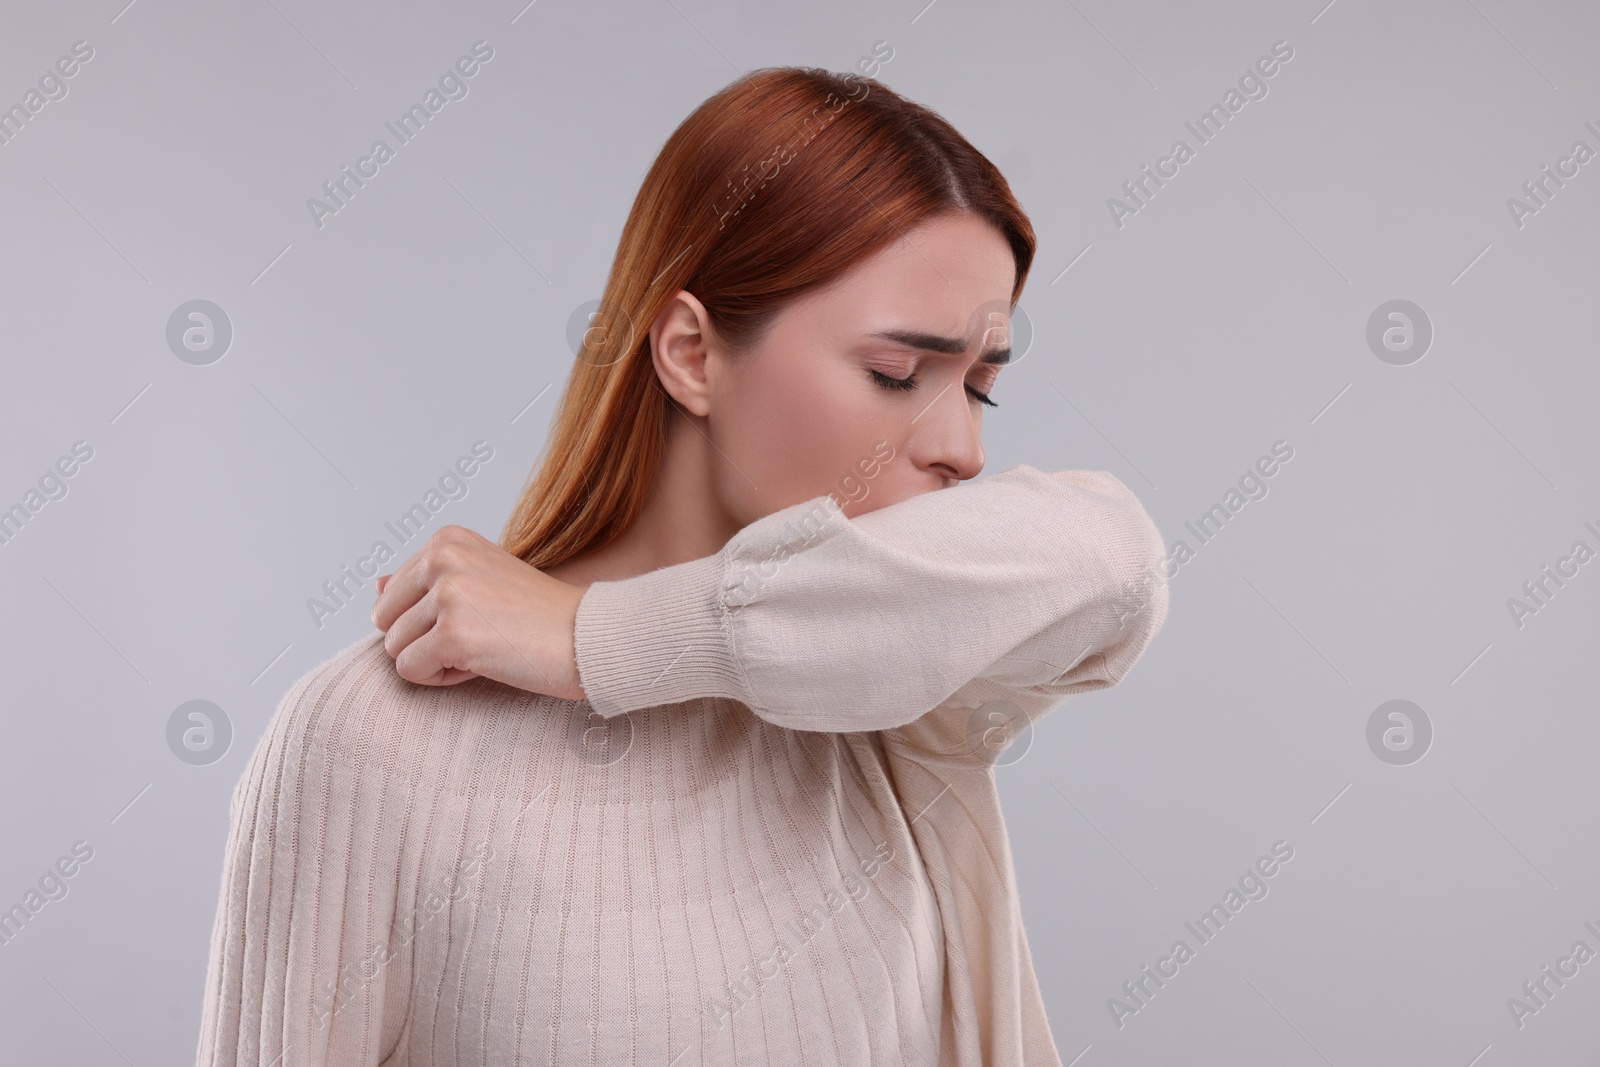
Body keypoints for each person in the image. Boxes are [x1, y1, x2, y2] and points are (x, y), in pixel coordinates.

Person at [195, 65, 1169, 1067]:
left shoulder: (904, 693)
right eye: (897, 373)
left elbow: (1114, 559)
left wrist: (598, 640)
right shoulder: (377, 739)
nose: (962, 446)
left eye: (980, 388)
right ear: (693, 355)